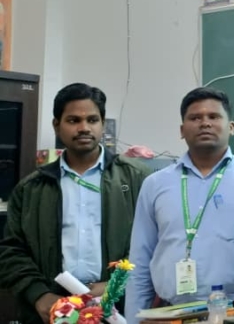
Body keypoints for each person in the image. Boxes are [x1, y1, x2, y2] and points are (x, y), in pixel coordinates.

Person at [0, 83, 151, 324]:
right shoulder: (31, 188)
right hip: (52, 309)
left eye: (92, 120)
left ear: (102, 124)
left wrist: (115, 284)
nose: (84, 128)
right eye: (73, 120)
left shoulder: (137, 179)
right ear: (56, 125)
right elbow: (11, 251)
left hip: (117, 308)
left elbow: (154, 245)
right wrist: (39, 295)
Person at [125, 87, 234, 323]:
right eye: (195, 118)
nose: (205, 123)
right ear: (182, 130)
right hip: (171, 315)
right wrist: (134, 319)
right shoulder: (155, 184)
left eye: (214, 116)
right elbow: (140, 260)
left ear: (231, 127)